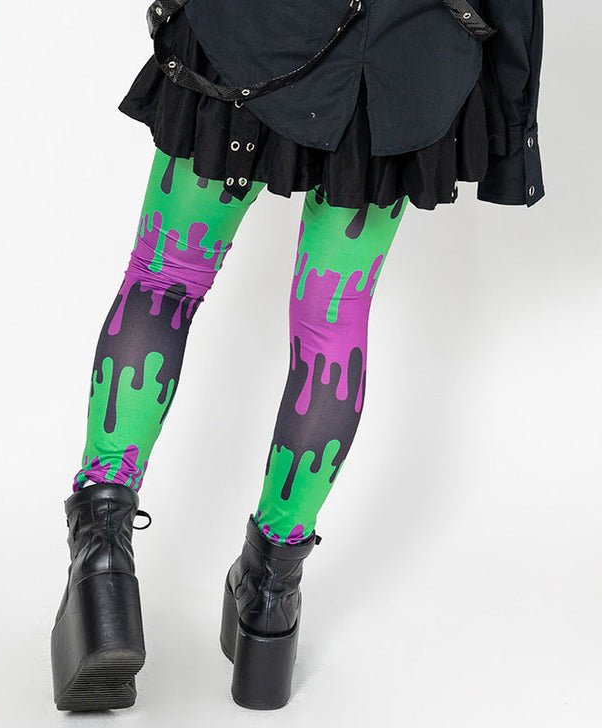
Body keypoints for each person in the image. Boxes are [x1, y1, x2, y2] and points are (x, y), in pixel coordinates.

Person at [50, 0, 545, 712]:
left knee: (164, 279)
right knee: (332, 327)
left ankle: (101, 548)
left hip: (252, 37)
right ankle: (270, 596)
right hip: (401, 73)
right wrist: (514, 120)